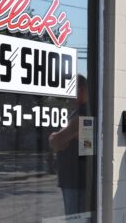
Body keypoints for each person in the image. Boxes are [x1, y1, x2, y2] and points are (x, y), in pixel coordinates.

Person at [48, 75, 92, 216]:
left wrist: (57, 136)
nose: (68, 97)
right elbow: (61, 141)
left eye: (71, 91)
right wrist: (62, 137)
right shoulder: (77, 113)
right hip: (72, 180)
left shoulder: (83, 115)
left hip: (75, 182)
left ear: (81, 91)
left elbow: (56, 142)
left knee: (75, 219)